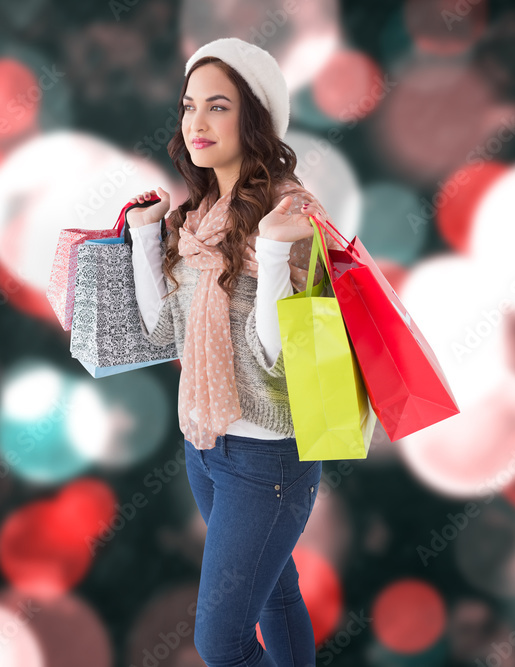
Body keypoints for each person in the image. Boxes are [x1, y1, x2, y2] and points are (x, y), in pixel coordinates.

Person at [123, 37, 341, 667]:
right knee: (274, 596)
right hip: (205, 443)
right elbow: (165, 331)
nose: (197, 122)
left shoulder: (292, 212)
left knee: (220, 643)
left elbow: (279, 358)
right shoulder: (199, 216)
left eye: (217, 106)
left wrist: (273, 254)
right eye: (190, 105)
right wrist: (146, 237)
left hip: (268, 460)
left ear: (255, 118)